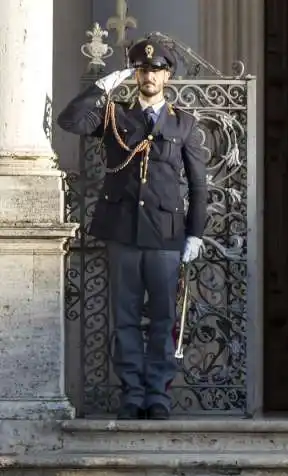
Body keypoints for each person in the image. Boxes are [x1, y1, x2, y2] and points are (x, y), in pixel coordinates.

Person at [57, 38, 208, 421]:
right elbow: (69, 121)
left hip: (165, 234)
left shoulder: (183, 123)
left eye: (156, 70)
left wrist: (195, 234)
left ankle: (157, 394)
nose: (149, 76)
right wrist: (103, 85)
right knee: (123, 318)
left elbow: (198, 184)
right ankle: (132, 393)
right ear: (135, 75)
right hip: (123, 231)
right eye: (142, 70)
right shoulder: (114, 116)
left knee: (162, 319)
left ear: (167, 75)